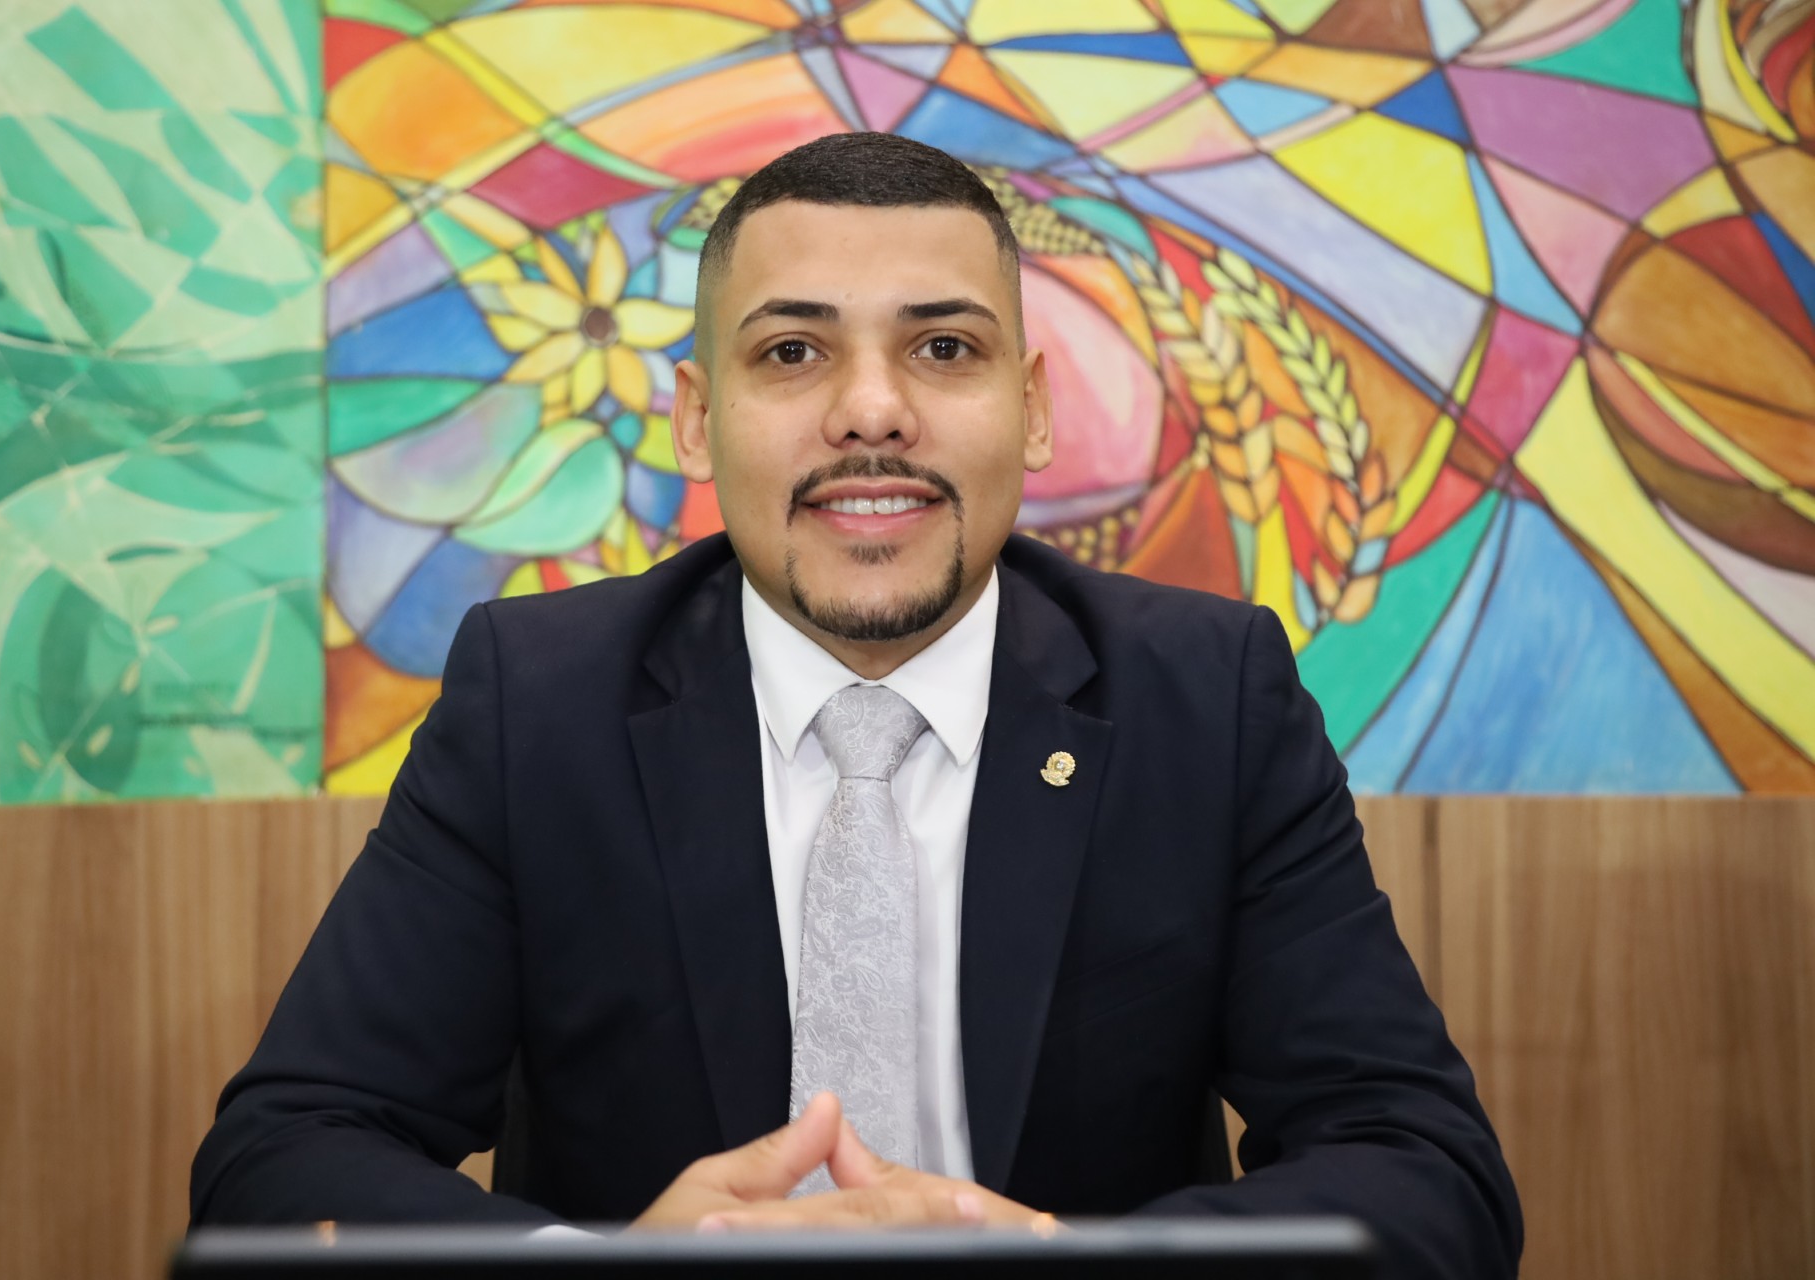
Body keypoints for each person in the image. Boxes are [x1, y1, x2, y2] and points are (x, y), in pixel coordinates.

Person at [190, 132, 1522, 1278]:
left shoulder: (1208, 700)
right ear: (696, 420)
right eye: (793, 351)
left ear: (1031, 409)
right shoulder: (536, 704)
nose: (871, 411)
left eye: (943, 347)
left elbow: (1425, 1174)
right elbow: (282, 1159)